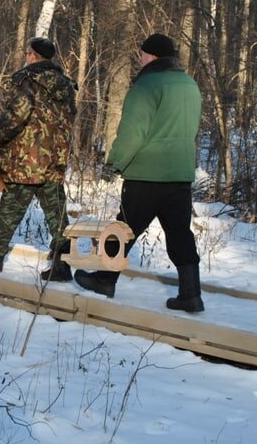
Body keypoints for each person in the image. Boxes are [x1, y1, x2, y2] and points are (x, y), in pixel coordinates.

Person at [75, 33, 204, 312]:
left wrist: (115, 163)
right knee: (180, 233)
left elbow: (133, 132)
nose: (139, 58)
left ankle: (105, 280)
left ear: (152, 56)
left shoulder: (146, 85)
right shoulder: (190, 84)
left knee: (124, 228)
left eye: (142, 54)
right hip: (180, 174)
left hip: (147, 173)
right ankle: (191, 294)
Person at [0, 37, 76, 279]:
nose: (26, 56)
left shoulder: (25, 80)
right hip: (54, 159)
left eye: (28, 53)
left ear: (33, 56)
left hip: (26, 160)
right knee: (57, 213)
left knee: (11, 207)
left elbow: (16, 115)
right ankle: (62, 265)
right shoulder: (65, 84)